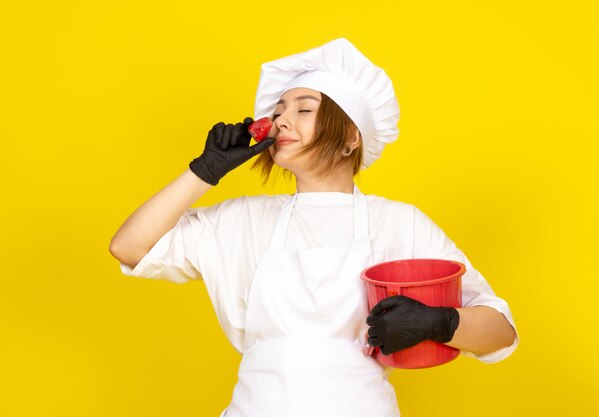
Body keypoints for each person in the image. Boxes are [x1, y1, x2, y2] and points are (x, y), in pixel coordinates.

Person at [109, 38, 519, 417]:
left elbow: (500, 331)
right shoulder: (242, 220)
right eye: (279, 112)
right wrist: (203, 173)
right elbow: (130, 247)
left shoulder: (398, 222)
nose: (282, 120)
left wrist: (440, 322)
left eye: (304, 109)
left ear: (350, 138)